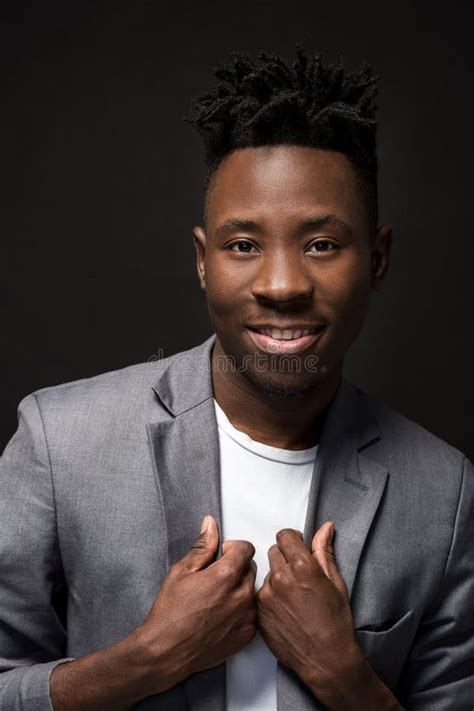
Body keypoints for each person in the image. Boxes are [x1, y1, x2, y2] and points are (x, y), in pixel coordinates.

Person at [0, 46, 472, 711]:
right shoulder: (59, 442)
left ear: (378, 258)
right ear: (203, 261)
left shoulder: (443, 492)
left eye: (321, 244)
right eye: (244, 245)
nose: (281, 285)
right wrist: (145, 660)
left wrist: (346, 676)